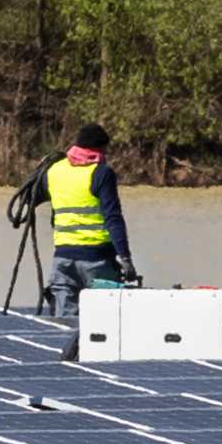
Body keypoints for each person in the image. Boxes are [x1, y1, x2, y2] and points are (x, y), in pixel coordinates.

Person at [34, 126, 141, 310]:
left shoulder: (54, 171)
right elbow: (113, 218)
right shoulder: (101, 173)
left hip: (63, 261)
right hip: (97, 261)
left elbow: (30, 197)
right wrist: (125, 258)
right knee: (102, 325)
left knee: (64, 328)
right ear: (99, 149)